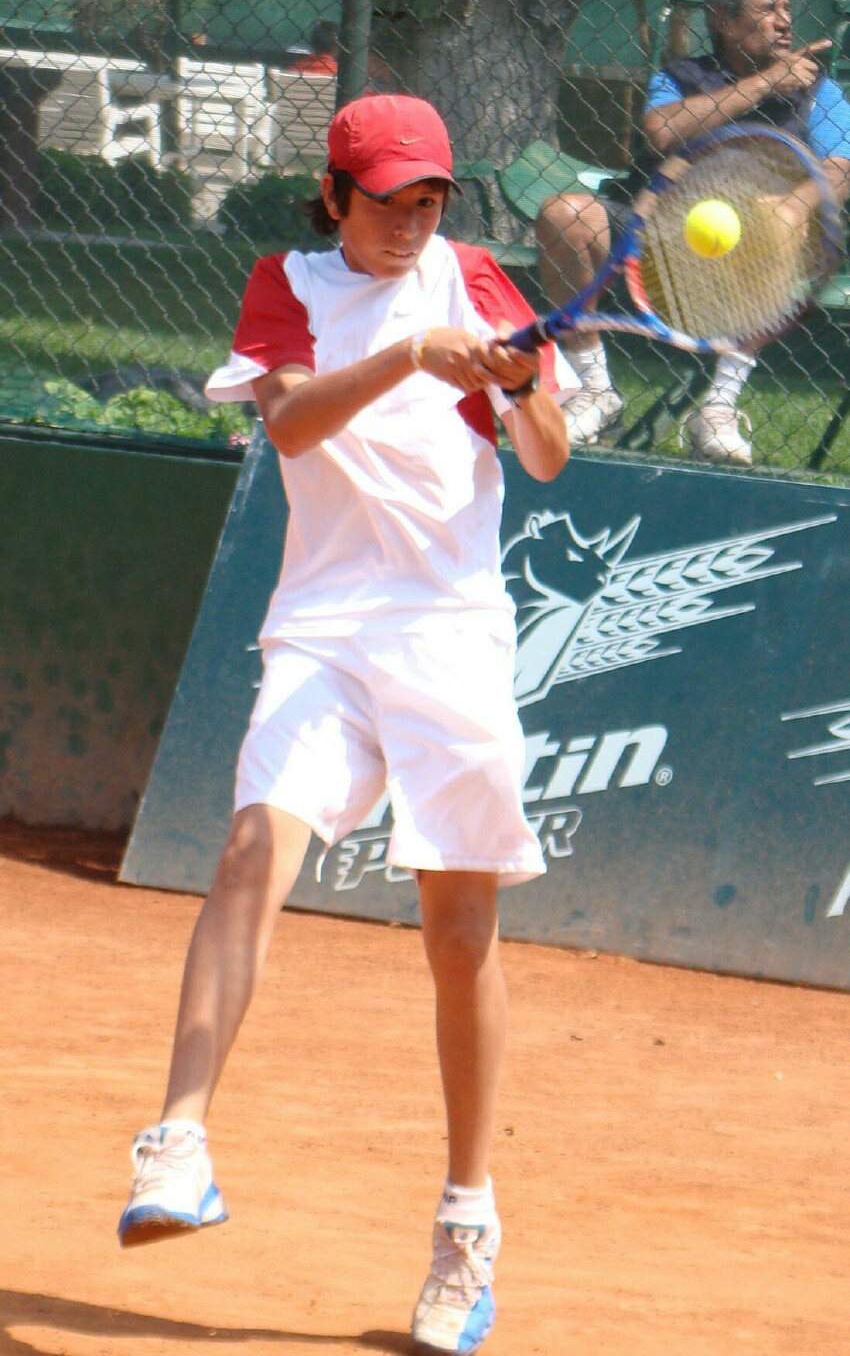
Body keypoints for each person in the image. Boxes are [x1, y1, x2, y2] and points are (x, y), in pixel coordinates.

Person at [116, 92, 577, 1356]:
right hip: (323, 626)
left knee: (459, 930)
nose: (411, 222)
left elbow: (543, 460)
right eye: (387, 201)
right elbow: (296, 423)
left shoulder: (476, 276)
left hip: (451, 633)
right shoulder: (291, 282)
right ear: (335, 196)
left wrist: (523, 380)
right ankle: (180, 1142)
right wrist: (413, 355)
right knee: (251, 850)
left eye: (429, 201)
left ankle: (465, 1230)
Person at [536, 0, 850, 463]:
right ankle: (596, 392)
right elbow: (662, 132)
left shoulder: (820, 91)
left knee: (782, 224)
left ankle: (717, 409)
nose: (784, 20)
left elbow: (841, 167)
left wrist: (789, 207)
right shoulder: (680, 77)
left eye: (786, 8)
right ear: (724, 21)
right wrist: (768, 83)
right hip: (652, 233)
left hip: (755, 245)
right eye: (767, 9)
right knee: (563, 214)